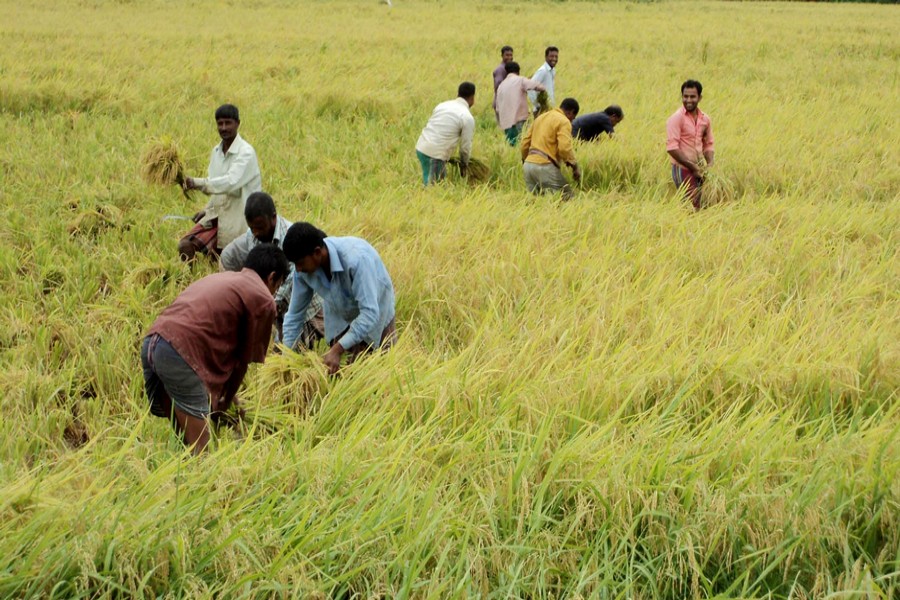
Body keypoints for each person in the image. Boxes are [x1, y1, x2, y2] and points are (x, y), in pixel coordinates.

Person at [141, 244, 289, 454]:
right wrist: (226, 402)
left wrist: (230, 399)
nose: (275, 292)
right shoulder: (263, 298)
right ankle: (207, 484)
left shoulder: (223, 278)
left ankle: (183, 481)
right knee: (202, 449)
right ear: (273, 277)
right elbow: (242, 362)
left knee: (187, 441)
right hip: (180, 352)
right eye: (279, 285)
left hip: (154, 344)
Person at [282, 223, 396, 375]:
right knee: (341, 373)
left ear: (317, 252)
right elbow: (295, 315)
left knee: (380, 370)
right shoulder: (303, 272)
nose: (298, 269)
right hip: (340, 313)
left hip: (376, 310)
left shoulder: (357, 260)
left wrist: (338, 349)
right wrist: (285, 358)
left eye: (300, 263)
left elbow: (370, 313)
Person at [219, 191, 325, 348]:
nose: (256, 232)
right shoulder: (252, 235)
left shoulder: (290, 236)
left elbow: (293, 276)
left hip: (308, 309)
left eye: (260, 227)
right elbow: (229, 255)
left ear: (273, 217)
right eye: (252, 228)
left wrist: (267, 302)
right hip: (281, 313)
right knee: (284, 351)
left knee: (314, 350)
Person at [178, 104, 262, 261]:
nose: (224, 128)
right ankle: (191, 280)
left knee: (225, 261)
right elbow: (217, 187)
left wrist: (196, 183)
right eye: (220, 123)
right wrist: (207, 210)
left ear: (238, 123)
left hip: (240, 219)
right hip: (218, 215)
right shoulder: (216, 152)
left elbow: (230, 182)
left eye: (228, 123)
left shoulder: (246, 153)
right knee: (185, 245)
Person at [666, 80, 715, 210]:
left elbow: (708, 145)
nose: (688, 100)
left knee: (705, 202)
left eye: (692, 96)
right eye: (685, 96)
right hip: (682, 168)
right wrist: (692, 166)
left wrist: (710, 164)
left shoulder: (705, 119)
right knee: (692, 203)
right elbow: (672, 148)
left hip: (700, 168)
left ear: (699, 98)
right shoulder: (676, 118)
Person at [415, 82, 476, 185]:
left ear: (458, 94)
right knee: (435, 188)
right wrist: (464, 165)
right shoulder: (466, 117)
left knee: (434, 180)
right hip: (434, 154)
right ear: (472, 98)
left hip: (421, 147)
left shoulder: (442, 105)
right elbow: (465, 147)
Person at [521, 97, 581, 200]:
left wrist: (527, 161)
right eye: (573, 117)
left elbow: (525, 143)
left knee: (535, 203)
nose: (572, 121)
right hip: (545, 166)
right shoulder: (563, 121)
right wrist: (574, 166)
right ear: (570, 112)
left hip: (528, 166)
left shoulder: (540, 118)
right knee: (567, 199)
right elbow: (564, 148)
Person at [496, 62, 546, 146]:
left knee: (510, 145)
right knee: (521, 144)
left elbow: (497, 108)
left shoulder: (501, 86)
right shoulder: (520, 80)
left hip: (506, 122)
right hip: (519, 119)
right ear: (518, 72)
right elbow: (538, 86)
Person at [527, 46, 559, 114]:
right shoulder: (543, 71)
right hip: (541, 111)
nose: (554, 59)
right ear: (546, 57)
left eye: (556, 57)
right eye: (551, 56)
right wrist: (538, 105)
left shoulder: (552, 71)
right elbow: (530, 88)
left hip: (548, 110)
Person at [492, 45, 514, 123]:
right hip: (501, 103)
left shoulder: (509, 68)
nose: (509, 57)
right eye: (507, 55)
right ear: (502, 56)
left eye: (511, 55)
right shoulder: (500, 70)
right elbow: (499, 86)